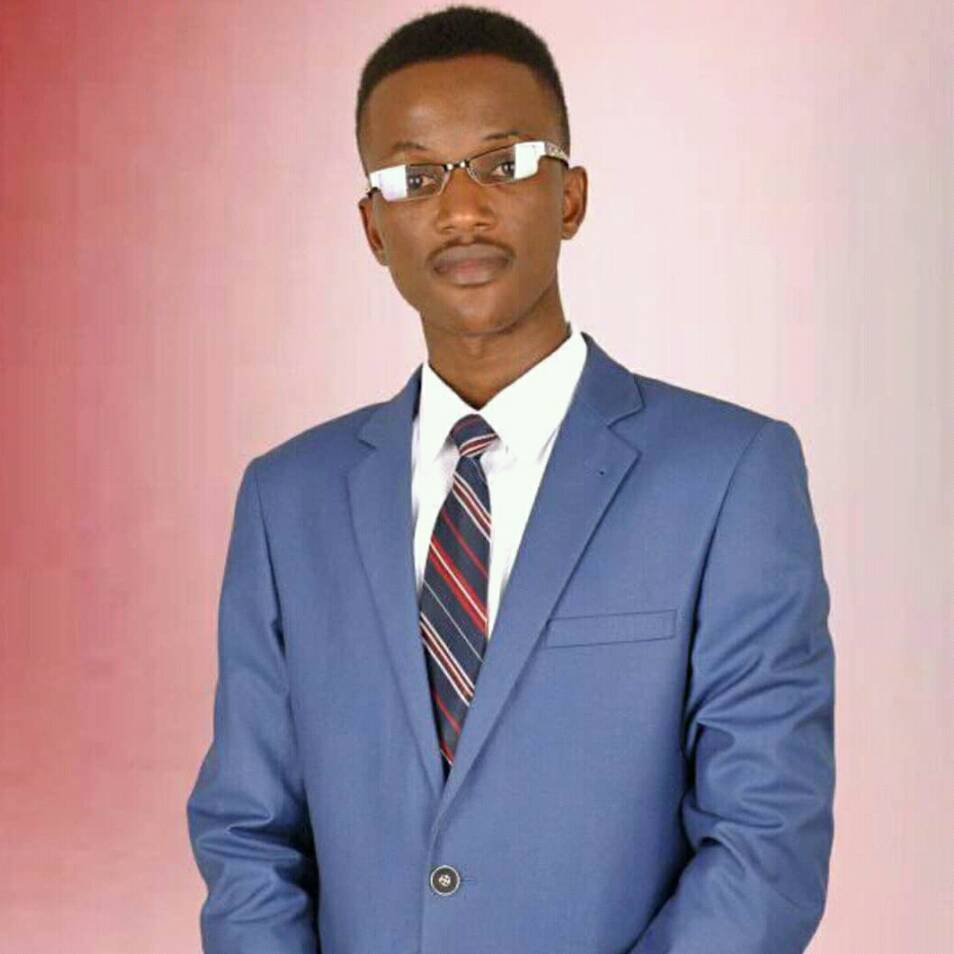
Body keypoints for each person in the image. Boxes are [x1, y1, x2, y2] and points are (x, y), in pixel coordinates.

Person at [186, 6, 835, 953]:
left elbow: (766, 843)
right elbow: (249, 836)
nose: (461, 210)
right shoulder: (288, 503)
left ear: (570, 197)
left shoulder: (730, 475)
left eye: (505, 163)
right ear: (373, 227)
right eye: (415, 178)